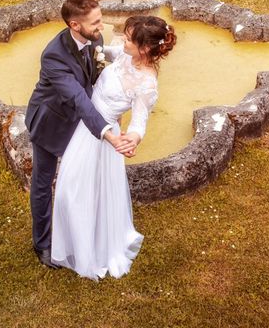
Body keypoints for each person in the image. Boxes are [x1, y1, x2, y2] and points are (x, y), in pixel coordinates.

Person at [51, 15, 176, 280]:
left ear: (144, 48)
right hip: (86, 125)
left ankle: (92, 247)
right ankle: (77, 236)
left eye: (129, 39)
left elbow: (140, 120)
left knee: (75, 189)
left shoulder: (147, 84)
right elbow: (104, 51)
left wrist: (134, 137)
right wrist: (85, 43)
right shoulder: (125, 55)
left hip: (103, 138)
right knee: (72, 188)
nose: (122, 41)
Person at [25, 0, 137, 269]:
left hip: (83, 119)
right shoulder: (54, 56)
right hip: (52, 122)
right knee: (44, 182)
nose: (102, 26)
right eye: (96, 22)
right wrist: (107, 133)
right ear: (75, 25)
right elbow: (78, 98)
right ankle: (42, 243)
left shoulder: (95, 39)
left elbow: (95, 80)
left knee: (83, 176)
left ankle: (84, 232)